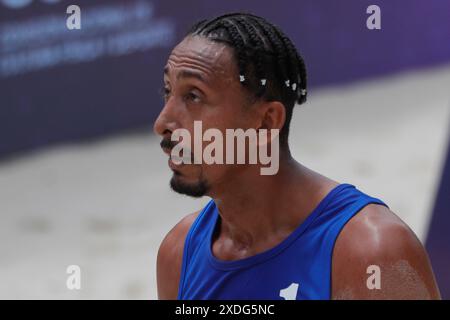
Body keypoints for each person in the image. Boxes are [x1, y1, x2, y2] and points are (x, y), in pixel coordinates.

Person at [154, 12, 440, 299]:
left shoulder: (370, 252)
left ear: (266, 122)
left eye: (193, 96)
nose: (162, 123)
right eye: (168, 92)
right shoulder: (178, 254)